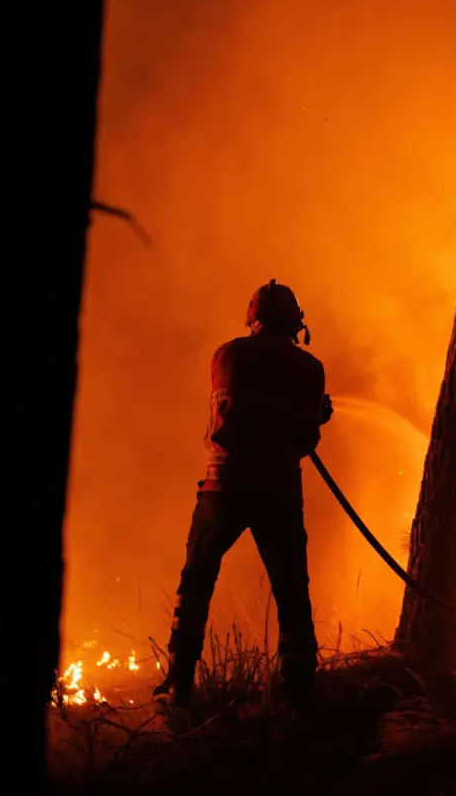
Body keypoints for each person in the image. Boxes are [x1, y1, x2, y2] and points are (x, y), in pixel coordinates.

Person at [155, 279, 332, 710]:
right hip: (277, 490)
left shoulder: (226, 354)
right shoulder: (308, 367)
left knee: (196, 580)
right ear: (295, 322)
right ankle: (299, 693)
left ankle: (178, 682)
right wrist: (318, 416)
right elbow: (305, 437)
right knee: (292, 590)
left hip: (222, 487)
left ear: (252, 318)